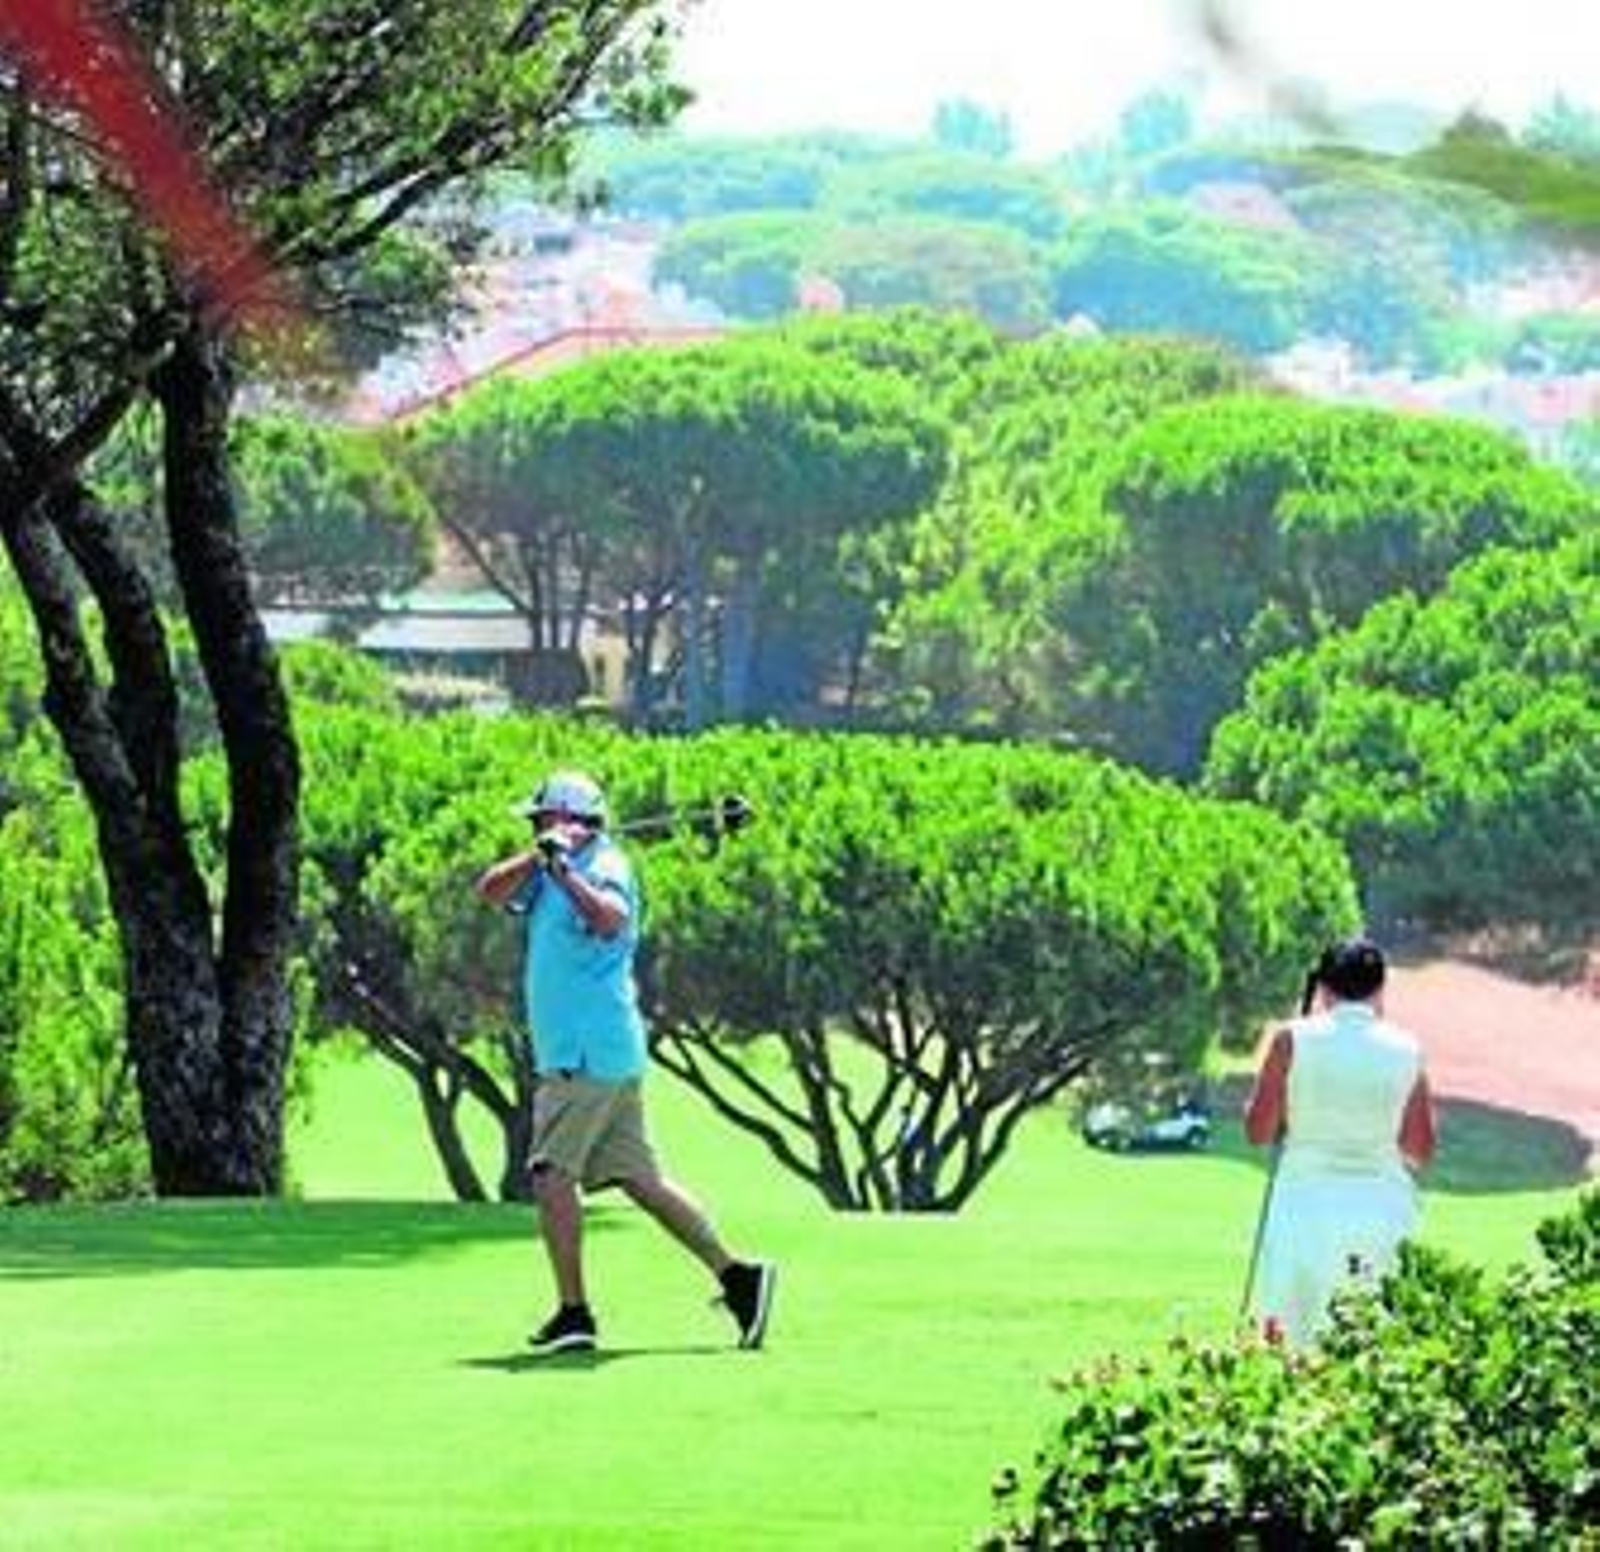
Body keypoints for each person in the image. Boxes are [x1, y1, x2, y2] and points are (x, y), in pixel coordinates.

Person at [475, 769, 777, 1356]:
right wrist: (539, 858)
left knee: (549, 1173)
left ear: (570, 818)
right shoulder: (545, 868)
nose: (535, 826)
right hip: (598, 1052)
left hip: (585, 1054)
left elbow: (609, 919)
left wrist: (563, 870)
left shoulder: (605, 866)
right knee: (642, 1181)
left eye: (541, 818)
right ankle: (740, 1279)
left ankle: (574, 1312)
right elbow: (489, 891)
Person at [1243, 936, 1437, 1347]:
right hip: (1383, 1212)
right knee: (1374, 1341)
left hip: (1303, 1209)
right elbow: (1419, 1148)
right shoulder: (1407, 1049)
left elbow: (1259, 1132)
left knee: (1294, 1341)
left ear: (1324, 988)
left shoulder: (1292, 1040)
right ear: (1380, 988)